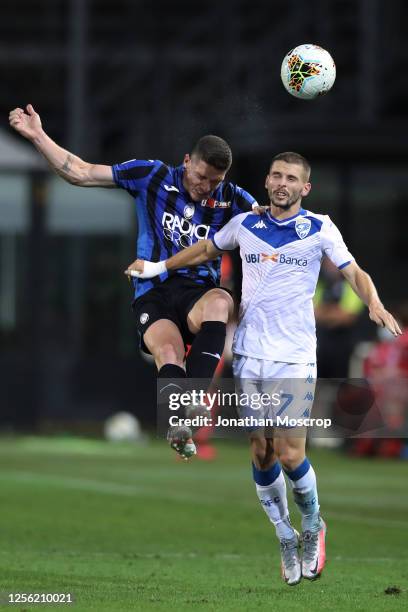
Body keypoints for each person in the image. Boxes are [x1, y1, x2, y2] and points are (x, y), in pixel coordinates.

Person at [125, 151, 402, 585]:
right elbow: (201, 250)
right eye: (276, 175)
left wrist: (375, 303)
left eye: (291, 178)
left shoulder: (319, 227)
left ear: (304, 188)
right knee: (262, 452)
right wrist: (159, 266)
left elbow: (353, 271)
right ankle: (284, 534)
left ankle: (312, 525)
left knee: (291, 454)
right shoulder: (245, 224)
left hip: (293, 354)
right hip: (252, 352)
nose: (281, 183)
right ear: (268, 181)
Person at [9, 104, 263, 460]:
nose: (205, 187)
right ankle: (179, 423)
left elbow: (268, 229)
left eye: (214, 182)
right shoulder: (151, 175)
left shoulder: (233, 200)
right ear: (187, 160)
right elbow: (80, 172)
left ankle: (193, 404)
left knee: (221, 301)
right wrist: (38, 136)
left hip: (198, 293)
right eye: (201, 176)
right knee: (169, 352)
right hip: (153, 290)